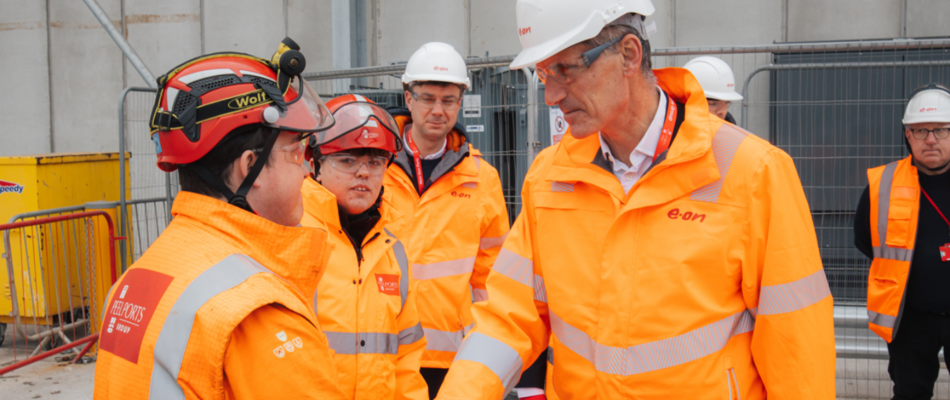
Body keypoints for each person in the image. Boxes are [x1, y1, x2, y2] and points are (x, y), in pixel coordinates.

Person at [436, 1, 837, 398]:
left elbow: (797, 349)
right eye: (542, 74)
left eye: (565, 69)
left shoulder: (752, 171)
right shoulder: (550, 177)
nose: (551, 96)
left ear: (628, 54)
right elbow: (507, 319)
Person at [93, 39, 347, 399]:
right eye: (296, 151)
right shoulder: (254, 312)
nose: (308, 170)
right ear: (249, 167)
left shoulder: (135, 280)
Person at [382, 42, 510, 399]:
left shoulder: (482, 178)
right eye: (427, 98)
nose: (437, 110)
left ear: (460, 101)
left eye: (448, 100)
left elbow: (494, 276)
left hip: (450, 357)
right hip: (380, 345)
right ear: (408, 98)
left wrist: (488, 349)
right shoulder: (373, 165)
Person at [300, 94, 428, 400]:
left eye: (374, 161)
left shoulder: (392, 249)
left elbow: (407, 358)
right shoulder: (292, 236)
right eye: (347, 160)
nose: (363, 172)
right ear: (316, 165)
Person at [854, 83, 950, 400]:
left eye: (941, 130)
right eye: (920, 130)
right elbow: (865, 240)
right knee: (910, 393)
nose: (931, 139)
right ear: (908, 135)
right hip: (909, 317)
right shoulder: (884, 183)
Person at [683, 56, 742, 124]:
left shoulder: (729, 130)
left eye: (727, 103)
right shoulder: (672, 131)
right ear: (686, 101)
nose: (723, 111)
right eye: (712, 103)